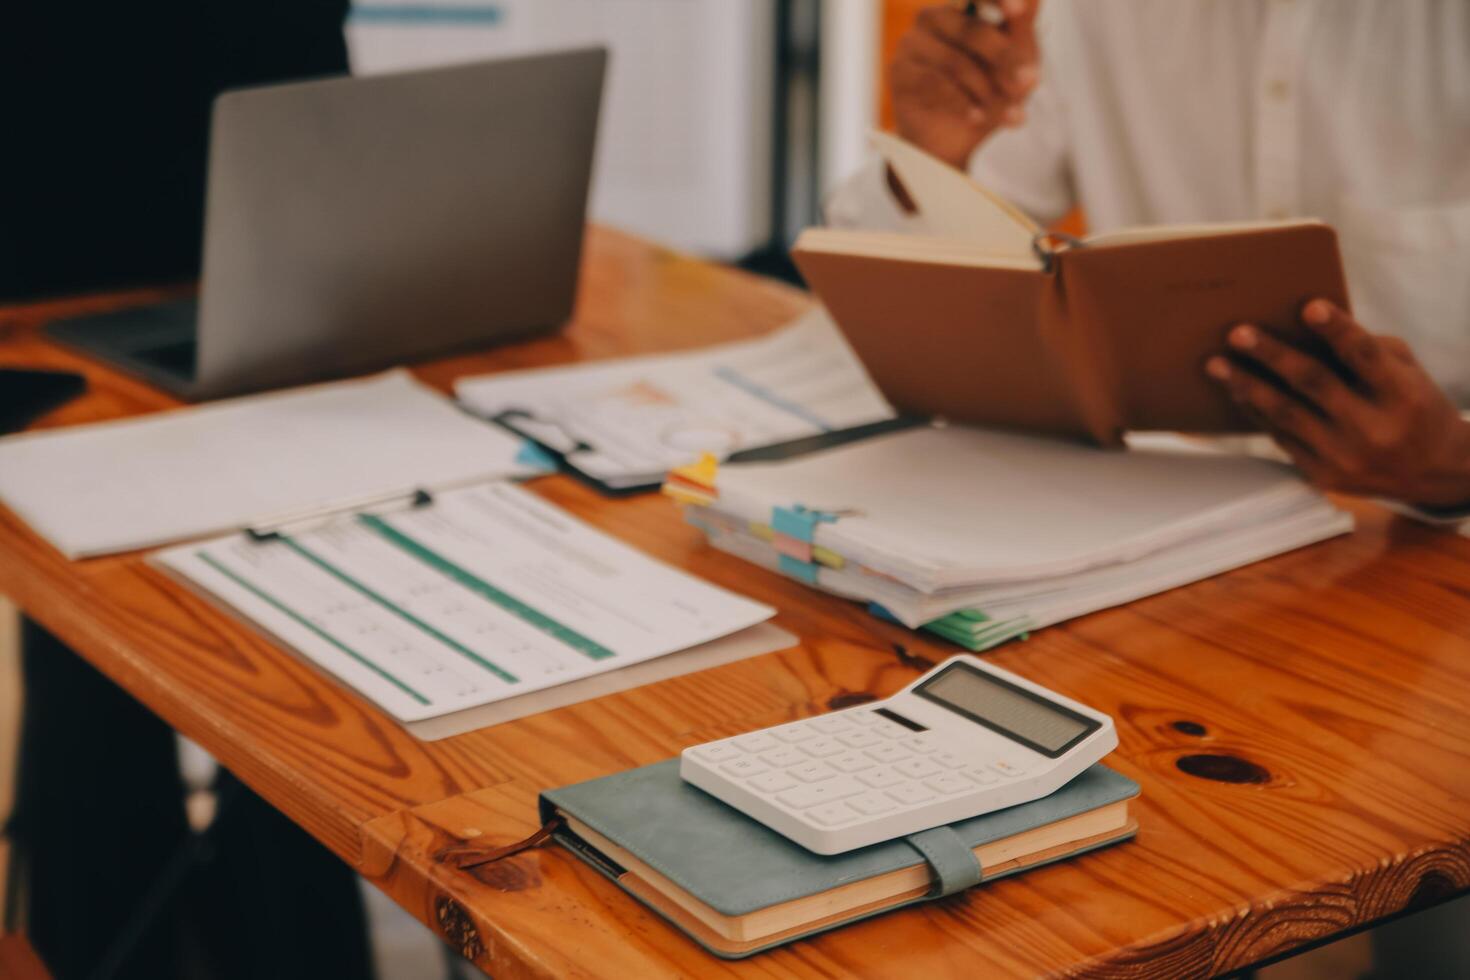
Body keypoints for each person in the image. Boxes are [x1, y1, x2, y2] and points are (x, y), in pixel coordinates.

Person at [829, 3, 1470, 975]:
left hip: (1438, 567)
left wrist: (1455, 463)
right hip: (1169, 571)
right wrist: (931, 155)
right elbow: (926, 282)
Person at [3, 4, 376, 979]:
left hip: (264, 256)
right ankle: (112, 933)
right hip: (44, 294)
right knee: (96, 644)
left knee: (307, 642)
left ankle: (272, 929)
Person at [829, 0, 1470, 522]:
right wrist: (930, 164)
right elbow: (911, 294)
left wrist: (1451, 462)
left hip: (1429, 552)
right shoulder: (1085, 15)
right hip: (1153, 527)